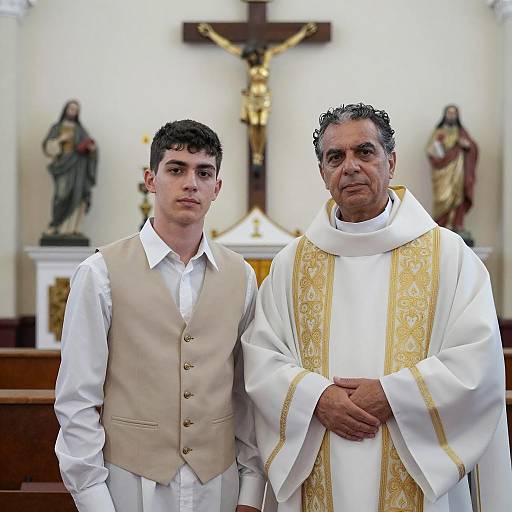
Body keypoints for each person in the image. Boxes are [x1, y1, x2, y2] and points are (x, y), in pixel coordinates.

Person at [242, 103, 511, 511]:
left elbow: (479, 361)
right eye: (336, 157)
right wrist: (316, 399)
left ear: (392, 161)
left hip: (417, 476)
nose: (350, 166)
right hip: (319, 468)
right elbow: (262, 359)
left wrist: (393, 395)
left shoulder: (449, 256)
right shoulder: (291, 265)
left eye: (364, 152)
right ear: (323, 173)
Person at [55, 120, 264, 512]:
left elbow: (246, 393)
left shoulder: (243, 276)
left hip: (218, 484)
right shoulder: (100, 273)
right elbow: (77, 400)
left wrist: (251, 490)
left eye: (204, 173)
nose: (191, 183)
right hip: (130, 484)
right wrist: (94, 498)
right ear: (151, 179)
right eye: (176, 169)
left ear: (217, 188)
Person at [197, 22, 317, 168]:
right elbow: (228, 46)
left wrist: (303, 33)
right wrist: (211, 34)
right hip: (252, 98)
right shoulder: (248, 62)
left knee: (262, 124)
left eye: (253, 54)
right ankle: (256, 155)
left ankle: (259, 153)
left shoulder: (267, 57)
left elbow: (286, 45)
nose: (252, 57)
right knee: (254, 124)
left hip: (264, 98)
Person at [42, 100, 98, 236]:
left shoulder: (81, 130)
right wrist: (61, 139)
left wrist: (92, 149)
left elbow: (91, 147)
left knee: (78, 195)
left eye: (76, 110)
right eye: (71, 109)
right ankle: (56, 225)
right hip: (63, 166)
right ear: (65, 110)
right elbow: (48, 147)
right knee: (61, 195)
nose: (73, 112)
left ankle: (73, 228)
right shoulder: (57, 127)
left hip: (79, 168)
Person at [426, 105, 478, 236]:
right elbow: (430, 149)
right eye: (449, 113)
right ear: (445, 115)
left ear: (457, 116)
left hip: (458, 170)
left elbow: (473, 147)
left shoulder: (461, 132)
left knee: (457, 195)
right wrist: (438, 149)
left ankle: (456, 224)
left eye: (454, 113)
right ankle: (441, 224)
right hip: (442, 172)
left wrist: (467, 146)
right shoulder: (438, 132)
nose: (451, 116)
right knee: (442, 197)